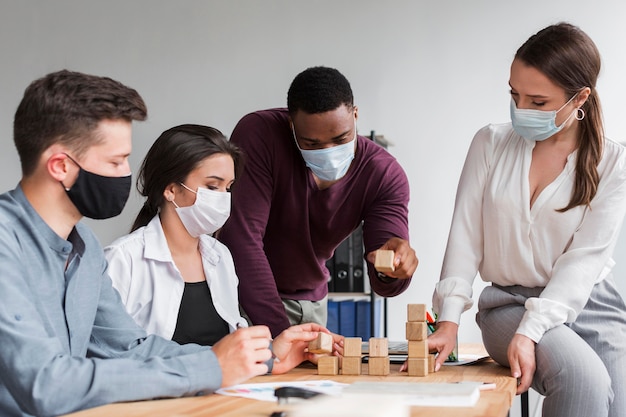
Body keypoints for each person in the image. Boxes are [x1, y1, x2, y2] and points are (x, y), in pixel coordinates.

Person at [0, 70, 328, 417]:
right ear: (60, 165)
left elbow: (131, 347)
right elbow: (47, 384)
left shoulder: (85, 249)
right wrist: (208, 368)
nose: (127, 175)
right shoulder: (6, 244)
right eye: (115, 161)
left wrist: (261, 359)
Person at [428, 23, 626, 417]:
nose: (521, 110)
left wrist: (534, 331)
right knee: (582, 378)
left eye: (537, 102)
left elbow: (583, 262)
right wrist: (448, 320)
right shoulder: (490, 142)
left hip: (591, 304)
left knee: (617, 404)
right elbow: (464, 239)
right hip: (508, 303)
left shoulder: (613, 162)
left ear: (580, 98)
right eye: (514, 95)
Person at [104, 124, 340, 355]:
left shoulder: (220, 256)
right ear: (171, 189)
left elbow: (232, 348)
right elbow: (115, 353)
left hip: (222, 391)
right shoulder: (122, 260)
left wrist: (283, 345)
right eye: (212, 186)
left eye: (228, 188)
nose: (223, 198)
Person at [219, 66, 419, 337]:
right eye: (312, 144)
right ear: (292, 126)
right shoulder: (259, 133)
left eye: (341, 139)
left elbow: (384, 278)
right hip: (243, 299)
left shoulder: (383, 174)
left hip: (311, 306)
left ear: (355, 115)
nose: (329, 152)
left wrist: (393, 269)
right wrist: (282, 334)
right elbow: (241, 240)